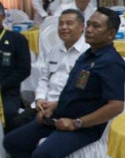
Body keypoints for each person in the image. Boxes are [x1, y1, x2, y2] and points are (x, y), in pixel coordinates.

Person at [3, 7, 125, 158]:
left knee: (42, 155)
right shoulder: (88, 55)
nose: (89, 30)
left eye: (96, 26)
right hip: (60, 116)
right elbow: (74, 91)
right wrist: (54, 107)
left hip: (85, 126)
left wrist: (77, 122)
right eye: (89, 25)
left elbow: (116, 106)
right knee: (13, 142)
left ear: (111, 34)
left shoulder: (111, 62)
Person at [6, 9, 88, 138]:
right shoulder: (55, 50)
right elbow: (44, 78)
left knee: (23, 136)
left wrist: (57, 103)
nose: (63, 27)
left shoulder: (88, 54)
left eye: (69, 23)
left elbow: (81, 88)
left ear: (82, 27)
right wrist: (39, 98)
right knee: (13, 125)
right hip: (43, 104)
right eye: (61, 24)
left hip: (66, 107)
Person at [0, 2, 31, 125]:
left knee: (9, 114)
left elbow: (24, 70)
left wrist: (2, 85)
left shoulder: (17, 39)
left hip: (6, 91)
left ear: (2, 17)